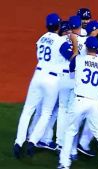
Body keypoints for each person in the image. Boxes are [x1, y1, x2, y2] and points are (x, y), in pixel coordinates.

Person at [13, 13, 76, 158]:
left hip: (37, 76)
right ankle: (33, 141)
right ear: (59, 26)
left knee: (28, 110)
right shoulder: (60, 42)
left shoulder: (40, 38)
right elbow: (72, 59)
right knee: (46, 113)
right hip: (51, 80)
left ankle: (18, 141)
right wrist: (75, 45)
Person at [58, 36, 98, 169]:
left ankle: (64, 163)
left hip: (80, 100)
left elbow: (72, 73)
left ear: (86, 47)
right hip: (96, 103)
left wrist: (75, 45)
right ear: (97, 49)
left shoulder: (78, 59)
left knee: (70, 131)